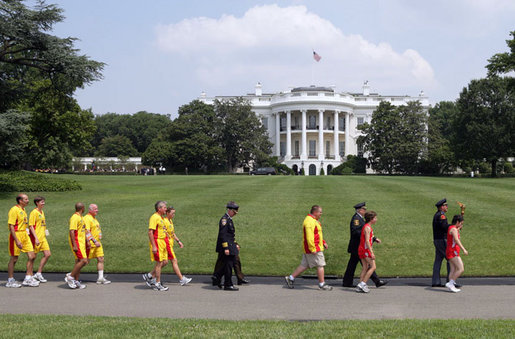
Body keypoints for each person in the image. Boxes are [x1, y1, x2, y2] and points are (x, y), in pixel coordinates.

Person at [284, 205, 333, 291]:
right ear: (315, 212)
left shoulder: (313, 220)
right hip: (314, 248)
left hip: (312, 247)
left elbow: (317, 234)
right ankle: (322, 284)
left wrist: (323, 242)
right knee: (320, 265)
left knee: (304, 265)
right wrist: (313, 248)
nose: (321, 214)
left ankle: (290, 278)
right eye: (320, 212)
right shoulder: (309, 222)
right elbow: (309, 237)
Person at [342, 202, 388, 288]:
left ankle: (348, 282)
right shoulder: (356, 219)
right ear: (360, 210)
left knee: (355, 265)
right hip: (357, 246)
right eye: (364, 209)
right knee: (368, 265)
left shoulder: (360, 219)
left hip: (358, 246)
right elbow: (356, 231)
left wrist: (372, 238)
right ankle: (374, 281)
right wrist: (367, 237)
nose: (365, 211)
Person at [6, 193, 39, 288]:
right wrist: (17, 240)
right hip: (16, 235)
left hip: (25, 234)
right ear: (20, 201)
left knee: (32, 256)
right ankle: (10, 280)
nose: (28, 201)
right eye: (26, 199)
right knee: (14, 258)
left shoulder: (23, 210)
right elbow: (11, 226)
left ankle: (28, 278)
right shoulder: (14, 210)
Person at [432, 198, 465, 287]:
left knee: (438, 261)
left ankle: (436, 281)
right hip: (442, 240)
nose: (447, 207)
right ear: (441, 207)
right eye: (445, 205)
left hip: (437, 240)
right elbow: (445, 227)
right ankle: (451, 281)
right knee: (451, 259)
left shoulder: (438, 215)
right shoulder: (441, 216)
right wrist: (455, 226)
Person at [212, 201, 240, 291]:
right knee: (228, 265)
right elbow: (223, 235)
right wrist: (226, 248)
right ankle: (227, 284)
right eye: (234, 212)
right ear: (230, 210)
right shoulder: (225, 220)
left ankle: (217, 276)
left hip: (230, 245)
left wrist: (235, 244)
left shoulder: (229, 220)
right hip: (227, 246)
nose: (235, 214)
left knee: (226, 265)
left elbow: (230, 235)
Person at [142, 201, 169, 291]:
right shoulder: (154, 217)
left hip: (163, 242)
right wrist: (154, 246)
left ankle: (149, 275)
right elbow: (150, 232)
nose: (166, 209)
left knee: (165, 262)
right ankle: (157, 283)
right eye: (164, 207)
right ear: (159, 208)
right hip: (157, 242)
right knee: (159, 263)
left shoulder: (160, 217)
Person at [163, 206, 192, 286]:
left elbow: (172, 233)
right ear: (167, 213)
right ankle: (182, 279)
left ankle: (150, 276)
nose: (173, 215)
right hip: (167, 244)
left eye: (174, 213)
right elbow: (163, 232)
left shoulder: (170, 221)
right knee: (173, 261)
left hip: (170, 244)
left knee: (164, 262)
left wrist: (178, 241)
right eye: (172, 213)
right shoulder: (164, 221)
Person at [84, 204, 111, 284]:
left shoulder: (94, 219)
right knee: (84, 262)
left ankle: (100, 278)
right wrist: (93, 241)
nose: (97, 210)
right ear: (90, 210)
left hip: (98, 243)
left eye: (97, 209)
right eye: (95, 209)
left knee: (101, 258)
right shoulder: (87, 218)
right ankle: (71, 275)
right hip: (92, 243)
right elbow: (87, 231)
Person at [66, 202, 89, 289]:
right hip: (77, 242)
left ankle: (75, 281)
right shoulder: (75, 217)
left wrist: (88, 241)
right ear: (82, 208)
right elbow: (72, 231)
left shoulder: (81, 217)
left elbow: (84, 230)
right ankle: (71, 277)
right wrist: (74, 245)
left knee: (79, 262)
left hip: (82, 242)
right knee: (84, 261)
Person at [356, 211, 381, 293]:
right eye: (375, 218)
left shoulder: (367, 226)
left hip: (362, 249)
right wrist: (372, 252)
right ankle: (362, 284)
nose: (376, 220)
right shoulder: (367, 228)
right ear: (371, 219)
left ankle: (360, 285)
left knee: (365, 267)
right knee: (373, 267)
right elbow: (367, 241)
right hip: (365, 250)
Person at [29, 196, 51, 283]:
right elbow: (31, 226)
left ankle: (38, 273)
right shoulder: (34, 212)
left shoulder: (42, 212)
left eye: (44, 201)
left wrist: (46, 233)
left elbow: (43, 224)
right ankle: (29, 276)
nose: (43, 203)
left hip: (43, 238)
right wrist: (36, 238)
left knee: (48, 254)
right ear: (37, 203)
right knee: (32, 258)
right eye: (42, 202)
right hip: (36, 238)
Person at [445, 215, 468, 293]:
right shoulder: (454, 229)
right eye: (461, 223)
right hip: (453, 251)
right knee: (461, 269)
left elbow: (453, 234)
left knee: (453, 269)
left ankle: (451, 286)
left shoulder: (451, 228)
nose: (461, 225)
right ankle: (451, 283)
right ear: (457, 222)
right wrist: (464, 249)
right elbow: (456, 240)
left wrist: (458, 229)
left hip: (450, 250)